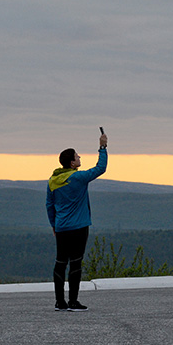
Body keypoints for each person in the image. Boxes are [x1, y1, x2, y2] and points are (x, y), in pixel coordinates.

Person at [46, 130, 108, 310]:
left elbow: (49, 206)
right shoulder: (78, 178)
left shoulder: (53, 181)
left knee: (60, 263)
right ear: (72, 163)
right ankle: (73, 301)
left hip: (61, 228)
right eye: (77, 156)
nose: (79, 157)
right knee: (76, 263)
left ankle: (59, 301)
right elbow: (100, 168)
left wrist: (53, 225)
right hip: (79, 227)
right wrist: (102, 146)